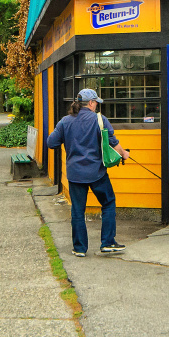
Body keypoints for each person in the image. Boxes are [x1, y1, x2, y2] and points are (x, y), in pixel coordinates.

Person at [47, 88, 129, 257]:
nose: (97, 106)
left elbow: (51, 143)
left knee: (77, 210)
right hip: (97, 172)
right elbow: (113, 142)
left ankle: (79, 248)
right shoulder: (100, 120)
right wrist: (124, 153)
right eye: (96, 102)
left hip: (75, 174)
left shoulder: (65, 122)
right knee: (108, 202)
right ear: (91, 103)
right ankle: (107, 243)